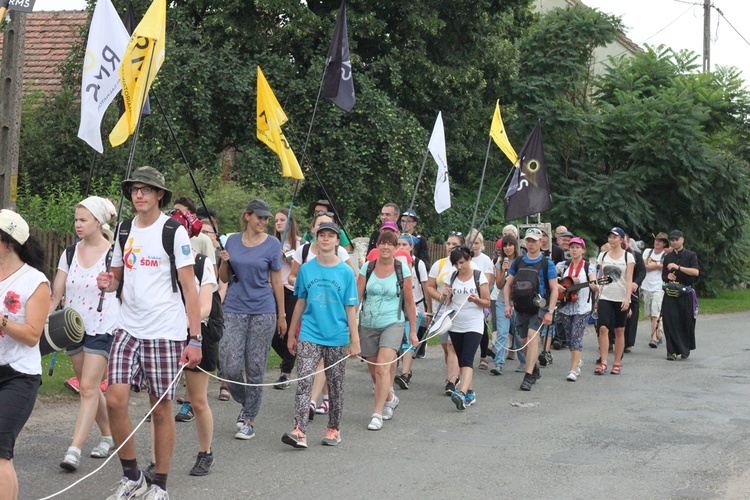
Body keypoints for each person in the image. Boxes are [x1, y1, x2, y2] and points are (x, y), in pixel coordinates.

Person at [97, 166, 203, 500]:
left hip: (165, 332)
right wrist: (108, 282)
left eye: (145, 189)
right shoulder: (124, 229)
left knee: (160, 408)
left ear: (160, 195)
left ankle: (160, 484)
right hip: (127, 327)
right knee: (114, 400)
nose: (138, 194)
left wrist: (195, 338)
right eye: (134, 189)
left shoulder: (173, 231)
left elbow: (189, 286)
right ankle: (132, 477)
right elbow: (116, 276)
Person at [49, 196, 118, 472]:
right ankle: (108, 435)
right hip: (72, 326)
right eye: (76, 219)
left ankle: (74, 449)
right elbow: (56, 292)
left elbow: (122, 286)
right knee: (86, 388)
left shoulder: (114, 253)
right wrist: (44, 316)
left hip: (103, 325)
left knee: (89, 387)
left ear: (98, 222)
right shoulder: (69, 253)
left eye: (83, 220)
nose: (78, 224)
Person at [282, 222, 360, 448]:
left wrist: (354, 340)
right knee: (304, 381)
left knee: (335, 385)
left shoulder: (345, 272)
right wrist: (291, 334)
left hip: (336, 335)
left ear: (337, 241)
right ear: (317, 240)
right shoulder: (307, 269)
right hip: (309, 333)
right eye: (322, 235)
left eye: (331, 236)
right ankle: (299, 430)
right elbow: (300, 303)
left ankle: (333, 428)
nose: (326, 239)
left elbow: (350, 308)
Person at [218, 199, 286, 441]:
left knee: (256, 366)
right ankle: (248, 401)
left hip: (263, 309)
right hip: (235, 307)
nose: (264, 222)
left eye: (266, 218)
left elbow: (277, 281)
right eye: (259, 217)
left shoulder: (272, 244)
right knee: (230, 365)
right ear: (247, 216)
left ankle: (249, 419)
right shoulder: (232, 240)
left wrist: (282, 314)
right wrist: (224, 260)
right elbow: (224, 277)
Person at [0, 210, 50, 500]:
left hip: (19, 376)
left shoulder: (35, 282)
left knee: (0, 449)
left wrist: (2, 321)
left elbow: (33, 335)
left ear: (7, 242)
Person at [357, 230, 417, 431]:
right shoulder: (368, 267)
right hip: (367, 323)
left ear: (395, 248)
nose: (385, 247)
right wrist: (349, 325)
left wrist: (413, 332)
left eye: (389, 244)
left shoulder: (402, 270)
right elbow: (356, 298)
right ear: (377, 246)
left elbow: (409, 303)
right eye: (382, 243)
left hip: (393, 323)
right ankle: (390, 397)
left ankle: (377, 413)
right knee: (374, 370)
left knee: (383, 367)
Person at [503, 228, 558, 391]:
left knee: (533, 337)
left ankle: (527, 377)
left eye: (534, 240)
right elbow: (508, 285)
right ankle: (534, 369)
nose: (531, 243)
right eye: (528, 240)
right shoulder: (518, 262)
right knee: (524, 342)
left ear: (541, 242)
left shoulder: (547, 263)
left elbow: (554, 288)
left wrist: (550, 311)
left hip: (539, 306)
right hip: (521, 306)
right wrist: (507, 304)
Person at [444, 247, 491, 410]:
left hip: (474, 323)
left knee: (468, 358)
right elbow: (447, 303)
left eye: (462, 262)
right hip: (456, 323)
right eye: (455, 263)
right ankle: (470, 392)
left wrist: (476, 300)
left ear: (469, 260)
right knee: (461, 357)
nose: (459, 266)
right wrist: (446, 295)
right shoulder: (452, 277)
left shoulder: (479, 276)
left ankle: (462, 393)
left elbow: (487, 302)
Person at [425, 232, 471, 395]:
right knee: (446, 347)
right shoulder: (440, 264)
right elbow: (429, 286)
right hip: (442, 311)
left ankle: (451, 381)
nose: (450, 247)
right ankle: (455, 374)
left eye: (455, 244)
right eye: (448, 243)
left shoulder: (467, 264)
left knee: (452, 345)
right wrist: (439, 297)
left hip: (460, 311)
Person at [556, 237, 598, 381]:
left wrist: (595, 286)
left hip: (582, 308)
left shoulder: (588, 267)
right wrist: (557, 285)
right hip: (565, 306)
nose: (574, 250)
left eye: (577, 247)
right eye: (572, 247)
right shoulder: (563, 265)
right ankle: (577, 360)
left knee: (576, 336)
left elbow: (594, 281)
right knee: (569, 338)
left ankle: (573, 370)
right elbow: (550, 277)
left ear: (583, 250)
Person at [594, 227, 634, 376]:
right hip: (605, 296)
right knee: (603, 328)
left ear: (621, 239)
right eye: (610, 237)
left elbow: (629, 278)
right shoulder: (603, 256)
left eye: (615, 237)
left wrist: (627, 298)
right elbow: (601, 277)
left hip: (620, 296)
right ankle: (603, 362)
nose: (611, 240)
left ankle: (617, 362)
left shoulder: (627, 257)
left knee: (619, 330)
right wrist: (597, 296)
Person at [394, 234, 430, 389]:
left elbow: (425, 286)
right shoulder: (392, 262)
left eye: (404, 245)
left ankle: (405, 374)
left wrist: (429, 309)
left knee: (409, 340)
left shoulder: (418, 264)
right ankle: (391, 372)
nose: (401, 248)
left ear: (411, 247)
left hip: (415, 306)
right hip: (395, 307)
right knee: (396, 341)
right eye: (399, 245)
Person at [272, 208, 301, 389]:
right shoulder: (272, 243)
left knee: (289, 331)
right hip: (274, 290)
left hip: (291, 290)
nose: (279, 223)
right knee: (273, 333)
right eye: (276, 220)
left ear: (290, 222)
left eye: (282, 219)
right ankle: (291, 356)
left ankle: (285, 373)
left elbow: (302, 268)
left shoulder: (300, 244)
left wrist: (288, 256)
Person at [662, 230, 699, 360]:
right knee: (669, 321)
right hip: (671, 293)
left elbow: (695, 272)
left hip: (686, 293)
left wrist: (678, 268)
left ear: (682, 240)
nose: (674, 242)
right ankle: (671, 351)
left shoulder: (690, 255)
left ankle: (684, 348)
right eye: (672, 240)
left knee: (685, 321)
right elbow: (663, 276)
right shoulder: (667, 257)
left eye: (676, 239)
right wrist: (668, 276)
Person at [491, 234, 522, 375]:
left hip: (519, 302)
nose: (508, 248)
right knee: (502, 333)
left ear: (515, 246)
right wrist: (503, 270)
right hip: (502, 301)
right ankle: (499, 363)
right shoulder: (499, 262)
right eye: (505, 245)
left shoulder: (521, 261)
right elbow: (498, 284)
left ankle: (524, 362)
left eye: (510, 245)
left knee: (518, 334)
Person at [467, 230, 494, 370]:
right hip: (465, 297)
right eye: (471, 243)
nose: (473, 246)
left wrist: (480, 295)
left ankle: (483, 356)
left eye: (476, 243)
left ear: (481, 244)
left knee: (482, 327)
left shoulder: (485, 260)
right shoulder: (465, 258)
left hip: (481, 297)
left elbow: (488, 280)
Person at [643, 232, 669, 348]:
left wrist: (653, 266)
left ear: (664, 244)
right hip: (646, 286)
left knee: (655, 313)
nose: (657, 243)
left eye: (661, 241)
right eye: (656, 240)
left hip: (659, 287)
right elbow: (645, 267)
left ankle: (653, 338)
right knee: (650, 313)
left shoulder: (666, 255)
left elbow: (666, 268)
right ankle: (659, 333)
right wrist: (658, 266)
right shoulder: (647, 252)